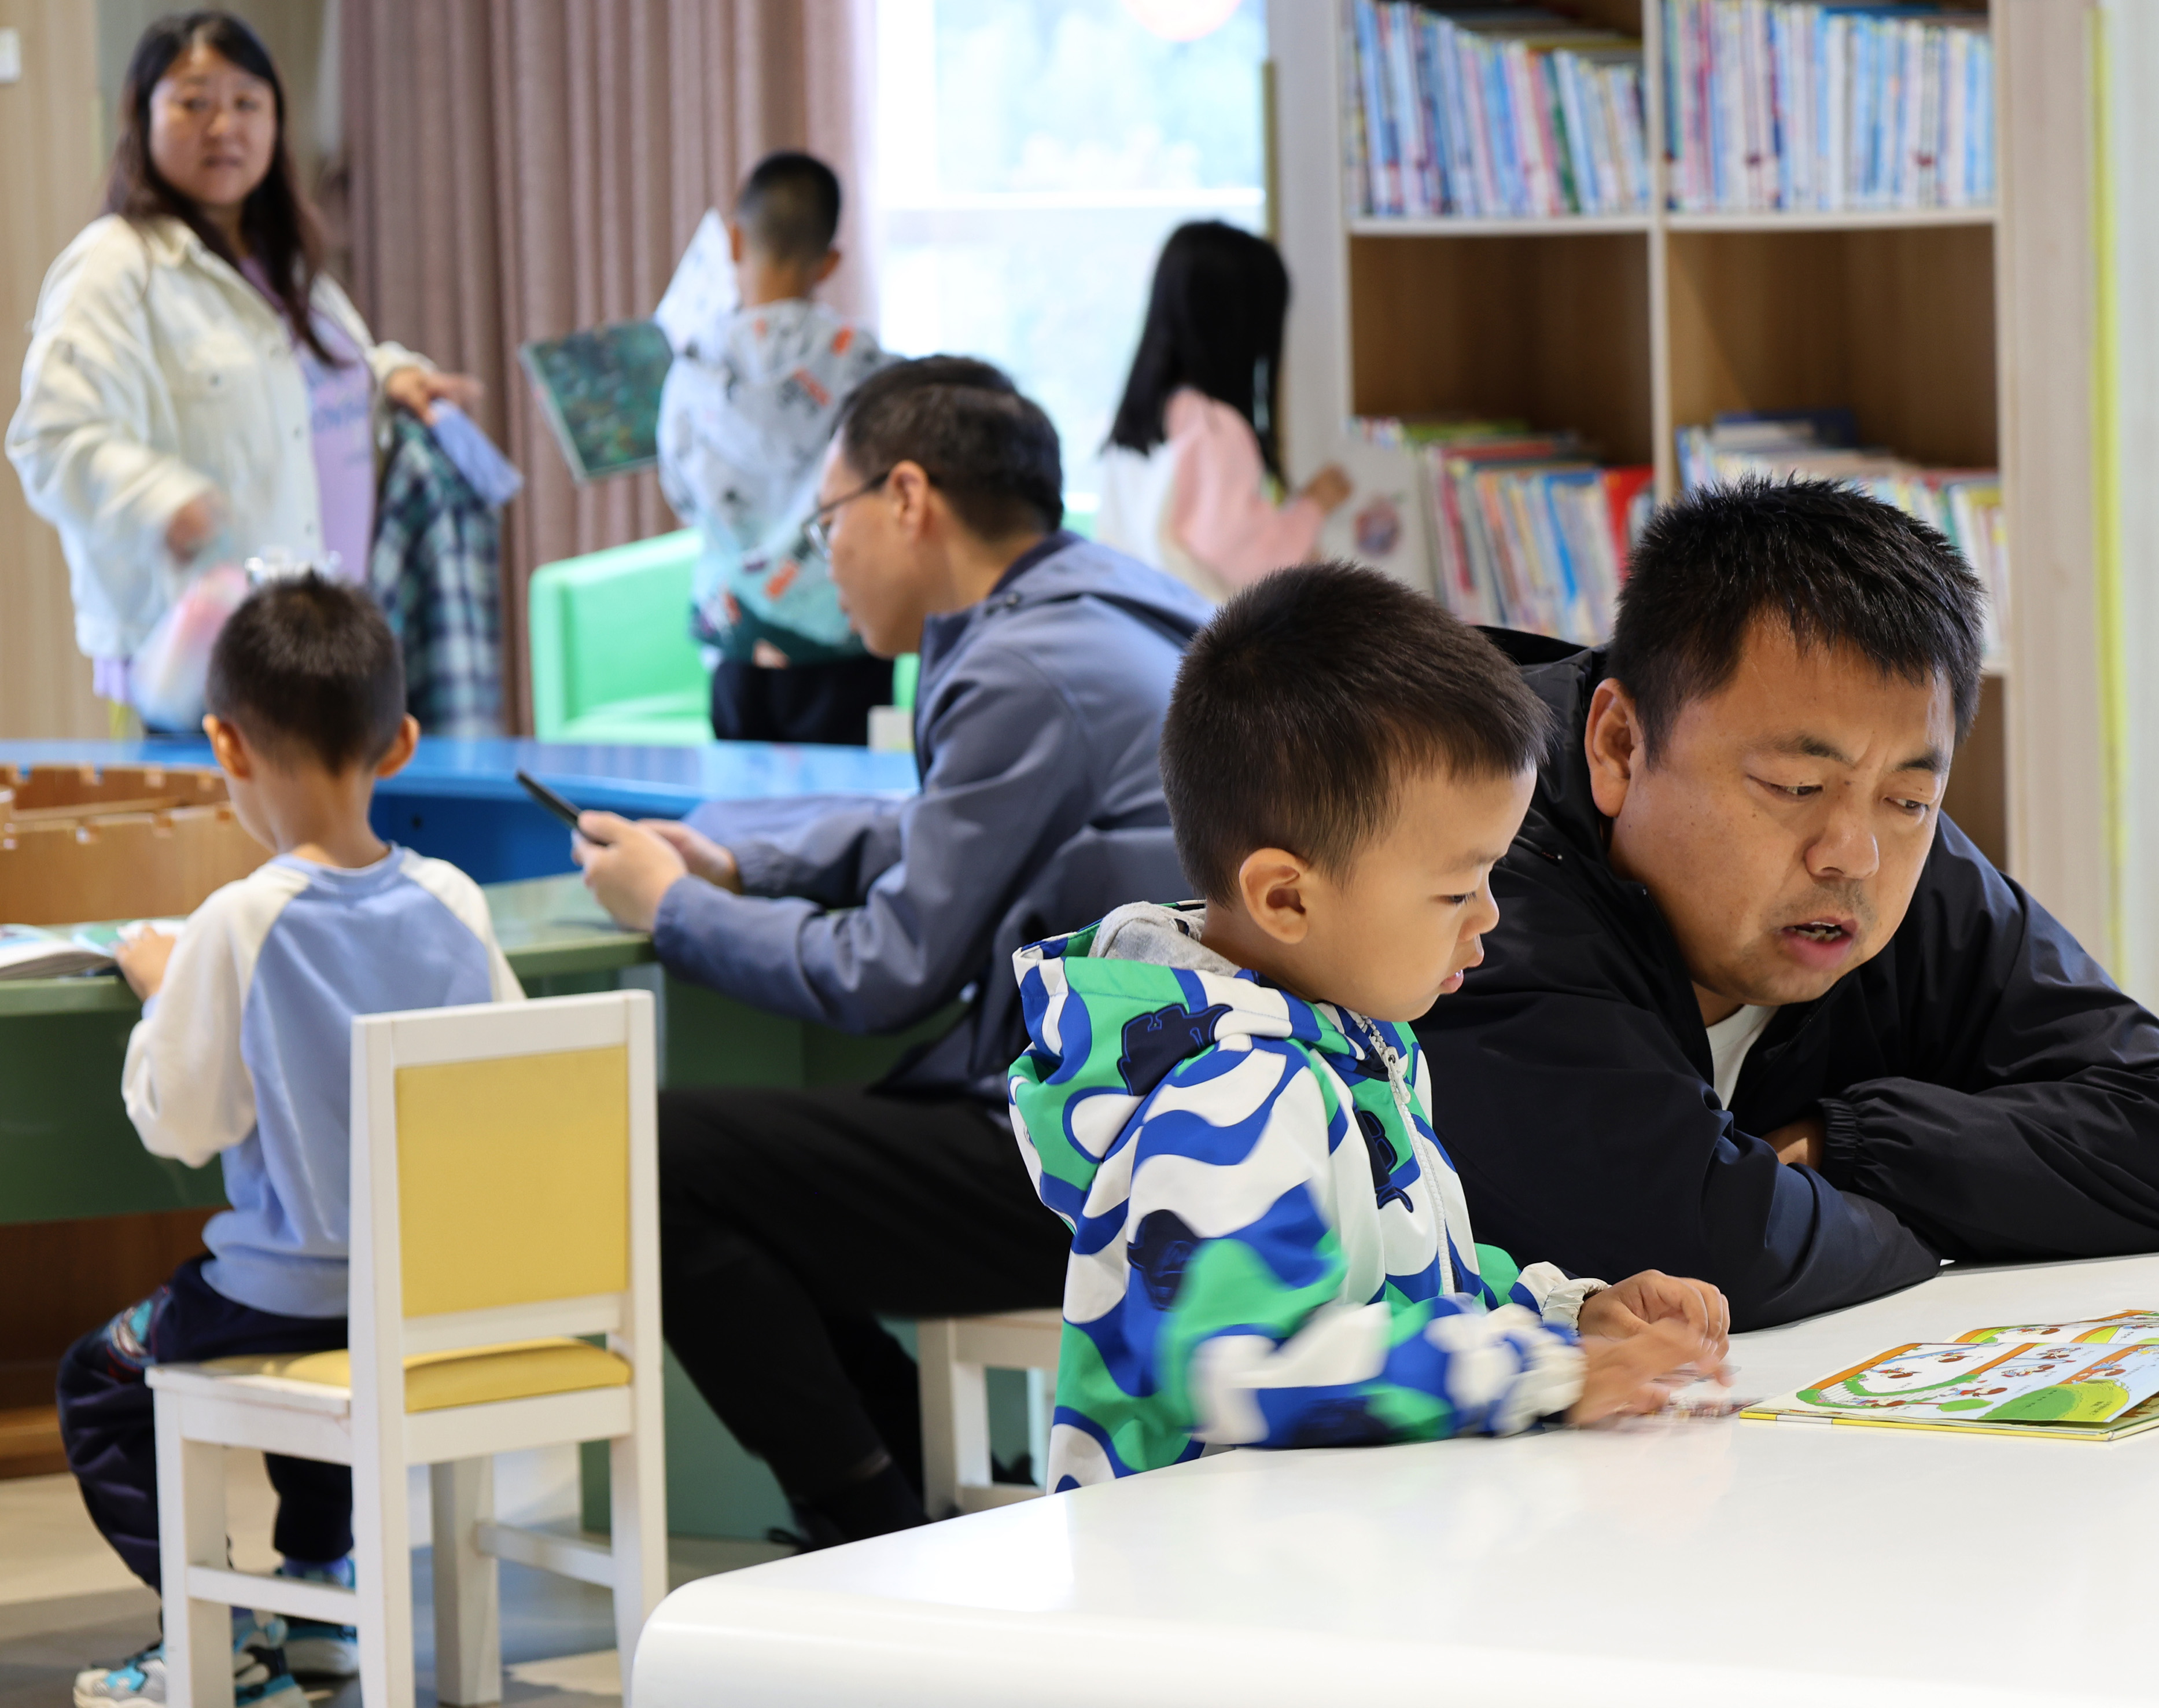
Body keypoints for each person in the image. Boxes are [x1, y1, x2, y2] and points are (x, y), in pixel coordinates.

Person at [572, 359, 1212, 1544]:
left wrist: (672, 909)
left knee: (650, 1155)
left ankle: (869, 1518)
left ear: (908, 496)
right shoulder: (1117, 608)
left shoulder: (1019, 666)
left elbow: (884, 969)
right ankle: (901, 1500)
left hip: (1086, 1159)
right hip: (1191, 1129)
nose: (826, 556)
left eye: (828, 520)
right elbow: (940, 828)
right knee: (764, 1173)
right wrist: (742, 862)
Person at [1416, 479, 2159, 1330]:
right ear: (1620, 746)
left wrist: (1846, 1145)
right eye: (1795, 786)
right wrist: (1931, 1223)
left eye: (1910, 798)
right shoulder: (1465, 866)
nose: (1852, 855)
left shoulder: (1888, 849)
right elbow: (1709, 1247)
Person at [1008, 564, 1729, 1490]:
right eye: (1456, 889)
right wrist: (1545, 1370)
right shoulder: (1230, 1092)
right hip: (1197, 1565)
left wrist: (1565, 1313)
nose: (1489, 916)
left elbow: (1403, 1281)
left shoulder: (1341, 1044)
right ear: (1286, 898)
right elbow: (1246, 1365)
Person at [57, 578, 521, 1708]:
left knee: (102, 1379)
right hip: (418, 1299)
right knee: (329, 1325)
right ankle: (319, 1588)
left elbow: (182, 1123)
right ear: (401, 742)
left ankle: (218, 1638)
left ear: (224, 742)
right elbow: (506, 1083)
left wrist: (162, 990)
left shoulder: (234, 922)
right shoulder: (457, 903)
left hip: (280, 1301)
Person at [6, 10, 480, 729]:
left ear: (276, 121)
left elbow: (316, 372)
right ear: (142, 115)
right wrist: (162, 499)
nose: (223, 126)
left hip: (323, 645)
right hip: (201, 663)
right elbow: (49, 438)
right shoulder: (115, 267)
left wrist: (391, 378)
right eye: (193, 103)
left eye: (246, 103)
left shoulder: (286, 264)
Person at [656, 149, 897, 745]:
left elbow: (681, 494)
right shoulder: (867, 363)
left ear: (735, 241)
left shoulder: (692, 365)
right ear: (831, 260)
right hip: (841, 627)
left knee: (742, 798)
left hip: (737, 630)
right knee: (850, 796)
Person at [1096, 220, 1353, 601]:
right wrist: (1313, 507)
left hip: (1142, 622)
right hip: (1201, 631)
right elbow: (1250, 561)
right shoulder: (1213, 426)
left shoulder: (1136, 423)